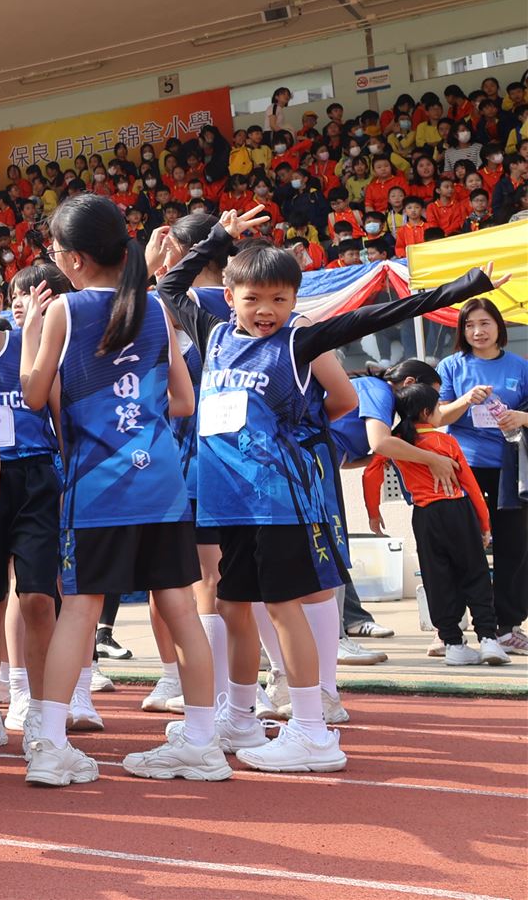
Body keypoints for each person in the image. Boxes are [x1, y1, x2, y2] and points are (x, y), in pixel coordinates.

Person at [158, 209, 500, 775]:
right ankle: (240, 717)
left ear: (295, 301)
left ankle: (312, 730)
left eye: (279, 299)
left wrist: (467, 286)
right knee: (232, 606)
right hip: (226, 500)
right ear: (230, 296)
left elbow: (381, 313)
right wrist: (218, 238)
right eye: (253, 299)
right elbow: (170, 287)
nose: (266, 310)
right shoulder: (213, 333)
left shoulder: (299, 342)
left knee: (282, 607)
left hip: (280, 503)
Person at [15, 194, 216, 787]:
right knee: (182, 609)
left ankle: (51, 745)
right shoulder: (157, 309)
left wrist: (29, 335)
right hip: (161, 484)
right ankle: (202, 743)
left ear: (74, 259)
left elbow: (32, 396)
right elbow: (184, 401)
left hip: (97, 487)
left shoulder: (66, 310)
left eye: (56, 250)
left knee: (79, 610)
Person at [0, 259, 62, 750]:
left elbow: (58, 409)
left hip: (34, 474)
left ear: (1, 300)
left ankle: (42, 711)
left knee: (39, 597)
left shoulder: (28, 343)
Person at [367, 386, 506, 666]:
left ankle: (452, 644)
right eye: (438, 408)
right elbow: (471, 485)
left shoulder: (396, 442)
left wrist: (373, 513)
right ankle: (488, 640)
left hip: (424, 515)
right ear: (426, 412)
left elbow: (371, 474)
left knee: (437, 578)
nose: (441, 412)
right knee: (475, 573)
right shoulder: (446, 442)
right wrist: (485, 524)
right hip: (457, 510)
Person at [435, 298, 528, 655]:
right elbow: (437, 416)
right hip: (464, 468)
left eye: (485, 323)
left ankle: (507, 627)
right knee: (462, 547)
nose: (478, 331)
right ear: (461, 330)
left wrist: (521, 417)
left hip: (510, 469)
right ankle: (451, 629)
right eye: (470, 325)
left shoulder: (519, 366)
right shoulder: (451, 366)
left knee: (513, 548)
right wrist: (465, 400)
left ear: (499, 326)